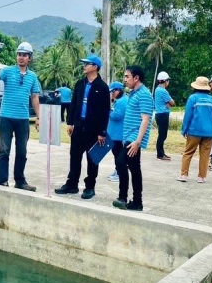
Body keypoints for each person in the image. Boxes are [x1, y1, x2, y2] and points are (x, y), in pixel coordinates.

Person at [55, 55, 110, 200]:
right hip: (78, 127)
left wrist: (102, 132)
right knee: (74, 156)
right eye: (84, 64)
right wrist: (70, 122)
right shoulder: (80, 84)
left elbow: (105, 111)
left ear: (95, 67)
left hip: (93, 129)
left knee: (92, 159)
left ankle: (90, 187)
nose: (84, 66)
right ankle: (72, 184)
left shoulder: (102, 87)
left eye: (87, 64)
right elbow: (74, 104)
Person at [0, 41, 41, 191]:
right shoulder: (7, 71)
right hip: (6, 117)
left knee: (22, 151)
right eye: (19, 54)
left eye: (24, 55)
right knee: (4, 150)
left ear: (29, 58)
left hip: (23, 119)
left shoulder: (32, 76)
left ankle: (20, 181)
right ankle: (2, 180)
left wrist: (39, 117)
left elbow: (35, 97)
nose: (21, 57)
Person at [112, 66, 153, 211]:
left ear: (136, 78)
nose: (125, 80)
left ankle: (123, 197)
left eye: (127, 76)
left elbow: (145, 119)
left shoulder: (144, 94)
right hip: (129, 136)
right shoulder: (134, 93)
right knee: (134, 168)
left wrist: (138, 141)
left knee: (120, 162)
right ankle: (137, 202)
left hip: (134, 138)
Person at [177, 77, 212, 183]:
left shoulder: (193, 98)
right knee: (205, 155)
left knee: (188, 152)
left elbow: (188, 116)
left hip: (194, 131)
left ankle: (184, 175)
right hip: (209, 132)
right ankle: (201, 177)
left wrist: (184, 130)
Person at [107, 82, 127, 183]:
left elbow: (117, 116)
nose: (112, 94)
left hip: (118, 134)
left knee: (118, 154)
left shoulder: (122, 101)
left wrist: (108, 110)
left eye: (113, 92)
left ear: (118, 90)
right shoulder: (119, 101)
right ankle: (117, 170)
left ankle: (120, 172)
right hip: (116, 133)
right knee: (116, 154)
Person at [154, 71, 175, 161]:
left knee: (161, 135)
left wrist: (168, 104)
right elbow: (172, 103)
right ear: (166, 81)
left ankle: (161, 153)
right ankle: (160, 154)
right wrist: (169, 104)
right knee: (162, 135)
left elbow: (169, 103)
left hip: (159, 114)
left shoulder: (157, 89)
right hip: (163, 115)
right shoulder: (163, 91)